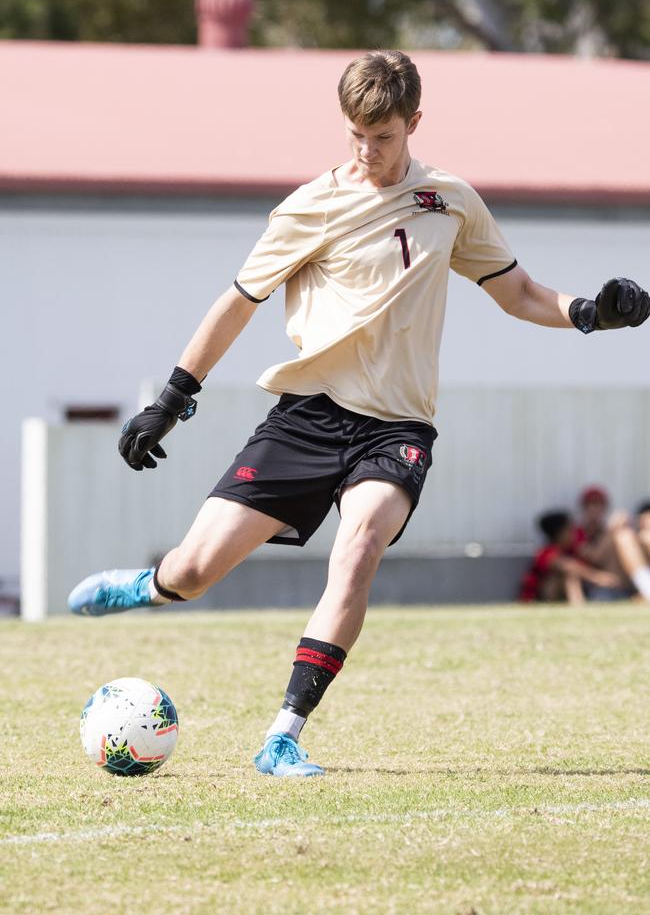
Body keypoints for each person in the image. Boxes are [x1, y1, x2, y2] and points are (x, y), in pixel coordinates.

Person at [68, 50, 650, 777]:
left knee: (360, 546)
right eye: (355, 136)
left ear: (414, 122)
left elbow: (521, 293)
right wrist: (172, 398)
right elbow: (235, 305)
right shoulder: (310, 206)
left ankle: (283, 735)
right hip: (307, 417)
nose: (368, 152)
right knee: (193, 571)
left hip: (398, 429)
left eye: (383, 137)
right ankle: (150, 588)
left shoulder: (451, 201)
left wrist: (594, 313)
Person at [519, 510, 619, 605]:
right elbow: (566, 565)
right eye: (570, 530)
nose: (574, 534)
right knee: (570, 574)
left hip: (561, 595)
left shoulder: (571, 550)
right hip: (540, 597)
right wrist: (597, 577)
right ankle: (578, 606)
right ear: (560, 534)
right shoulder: (545, 552)